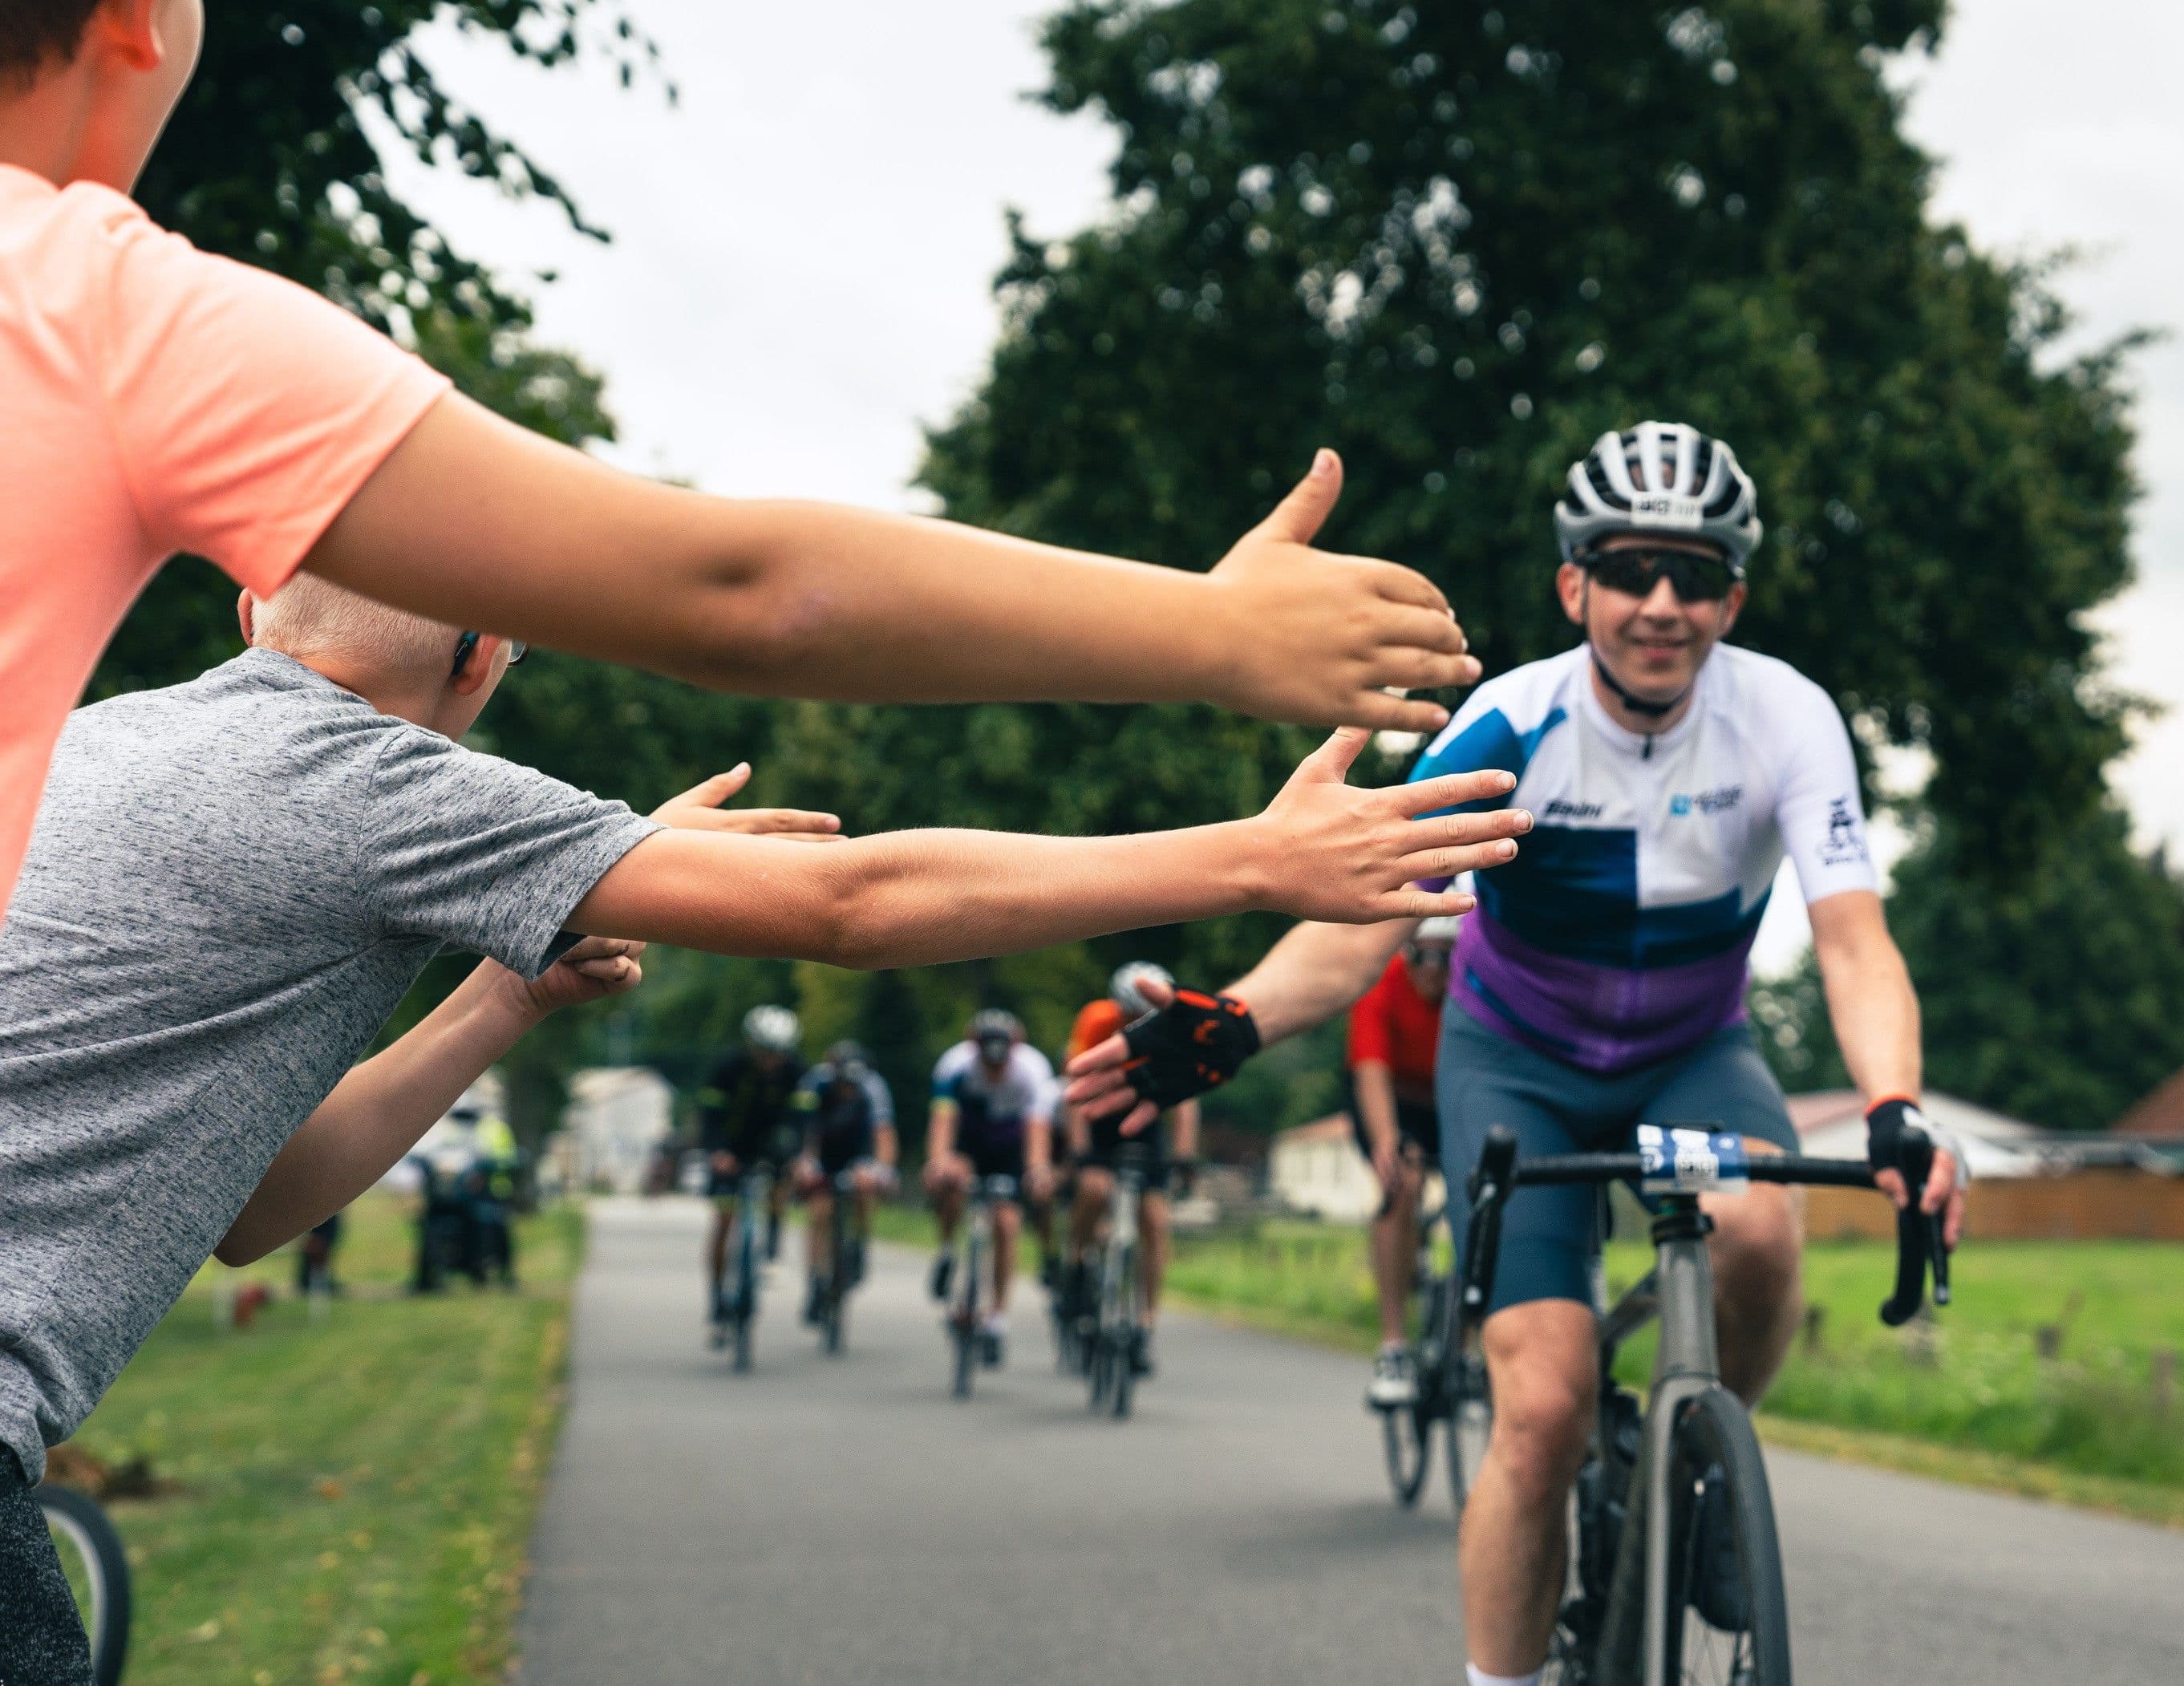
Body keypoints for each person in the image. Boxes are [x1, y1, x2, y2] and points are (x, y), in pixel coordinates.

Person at [0, 578, 1522, 1682]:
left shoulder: (84, 744)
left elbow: (250, 1206)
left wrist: (502, 998)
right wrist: (1253, 859)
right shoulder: (377, 780)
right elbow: (849, 904)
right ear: (485, 655)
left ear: (252, 600)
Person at [0, 0, 1487, 928]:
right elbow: (740, 594)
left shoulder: (116, 746)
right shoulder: (102, 306)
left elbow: (253, 1202)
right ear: (139, 18)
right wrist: (1215, 633)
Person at [1072, 421, 1968, 1686]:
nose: (1662, 603)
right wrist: (1238, 1020)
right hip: (1522, 1058)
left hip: (1691, 1051)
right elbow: (1374, 916)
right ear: (1575, 585)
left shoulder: (1787, 718)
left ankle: (1705, 1467)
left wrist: (1893, 1106)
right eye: (1629, 568)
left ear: (1734, 595)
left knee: (1764, 1230)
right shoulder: (1511, 720)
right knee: (1540, 1408)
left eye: (1697, 574)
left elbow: (1855, 939)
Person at [1064, 963, 1200, 1377]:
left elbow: (1186, 1099)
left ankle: (1144, 1325)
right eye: (1130, 1016)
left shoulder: (1175, 1028)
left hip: (1146, 1116)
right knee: (1093, 1188)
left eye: (1146, 1017)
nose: (1137, 1024)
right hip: (1098, 1116)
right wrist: (1080, 1152)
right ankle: (1078, 1263)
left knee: (1155, 1222)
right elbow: (1073, 1088)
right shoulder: (1096, 1020)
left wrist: (1185, 1157)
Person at [1352, 915, 1455, 1408]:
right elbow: (1371, 1075)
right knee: (1403, 1185)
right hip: (1397, 1104)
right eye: (1421, 955)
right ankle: (1393, 1344)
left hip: (1453, 1101)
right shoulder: (1382, 986)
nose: (1434, 970)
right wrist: (1388, 1141)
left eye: (1447, 957)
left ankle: (1470, 1344)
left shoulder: (1473, 994)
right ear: (1405, 953)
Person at [922, 1010, 1059, 1365]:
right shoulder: (955, 1065)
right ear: (975, 1047)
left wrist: (1037, 1169)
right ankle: (948, 1249)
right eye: (988, 1057)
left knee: (1007, 1223)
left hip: (1011, 1146)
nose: (995, 1067)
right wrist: (940, 1161)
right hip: (970, 1140)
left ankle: (997, 1316)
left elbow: (1038, 1126)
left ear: (1015, 1047)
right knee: (951, 1184)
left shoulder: (1033, 1069)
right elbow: (942, 1120)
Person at [697, 1005, 812, 1343]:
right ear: (751, 1044)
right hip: (730, 1149)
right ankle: (718, 1298)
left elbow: (801, 1119)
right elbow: (710, 1115)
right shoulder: (728, 1068)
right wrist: (717, 1152)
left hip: (772, 1147)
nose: (770, 1060)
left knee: (784, 1179)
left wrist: (798, 1156)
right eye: (764, 1051)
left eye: (777, 1053)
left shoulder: (795, 1072)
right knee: (723, 1221)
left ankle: (773, 1247)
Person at [795, 1040, 897, 1323]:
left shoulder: (873, 1087)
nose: (848, 1091)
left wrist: (882, 1170)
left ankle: (859, 1242)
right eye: (843, 1085)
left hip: (857, 1151)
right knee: (818, 1213)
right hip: (824, 1151)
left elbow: (883, 1132)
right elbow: (805, 1129)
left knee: (864, 1189)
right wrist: (806, 1163)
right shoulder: (815, 1083)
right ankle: (815, 1280)